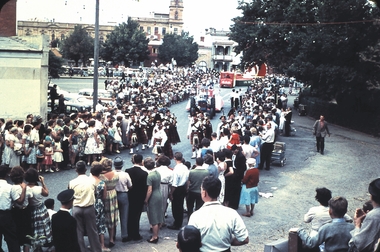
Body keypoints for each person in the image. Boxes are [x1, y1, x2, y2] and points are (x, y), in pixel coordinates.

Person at [188, 176, 249, 251]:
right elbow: (245, 239)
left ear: (204, 193)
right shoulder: (231, 213)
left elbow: (190, 241)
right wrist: (227, 241)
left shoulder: (196, 216)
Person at [68, 160, 102, 252]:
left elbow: (70, 194)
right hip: (89, 207)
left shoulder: (72, 182)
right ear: (86, 169)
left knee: (78, 231)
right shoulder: (92, 181)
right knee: (92, 230)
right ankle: (96, 249)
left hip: (77, 207)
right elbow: (95, 192)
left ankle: (81, 249)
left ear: (76, 170)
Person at [349, 178, 380, 251]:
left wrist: (357, 224)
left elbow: (359, 245)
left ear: (371, 196)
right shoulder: (374, 215)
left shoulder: (374, 215)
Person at [124, 154, 148, 241]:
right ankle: (136, 234)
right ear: (141, 161)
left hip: (130, 195)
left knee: (130, 215)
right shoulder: (144, 173)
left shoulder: (128, 171)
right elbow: (145, 187)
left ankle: (129, 233)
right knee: (137, 216)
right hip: (139, 197)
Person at [99, 158, 119, 248]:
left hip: (105, 195)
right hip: (113, 193)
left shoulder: (101, 176)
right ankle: (111, 238)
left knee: (104, 216)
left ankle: (102, 239)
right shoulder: (116, 174)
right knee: (112, 216)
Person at [90, 163, 110, 252]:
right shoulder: (102, 183)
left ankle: (93, 244)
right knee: (101, 224)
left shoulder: (88, 181)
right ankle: (102, 245)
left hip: (90, 203)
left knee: (92, 225)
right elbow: (104, 197)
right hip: (99, 203)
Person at [144, 157, 163, 244]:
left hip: (153, 197)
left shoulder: (149, 176)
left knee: (153, 217)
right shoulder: (157, 173)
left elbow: (149, 190)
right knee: (159, 215)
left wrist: (146, 200)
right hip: (159, 194)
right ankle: (157, 234)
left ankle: (154, 236)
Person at [168, 152, 189, 230]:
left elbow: (174, 183)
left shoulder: (176, 169)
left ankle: (177, 223)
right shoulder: (185, 167)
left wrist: (171, 193)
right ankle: (178, 222)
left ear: (174, 158)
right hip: (183, 187)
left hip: (177, 189)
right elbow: (187, 179)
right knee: (180, 205)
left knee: (175, 207)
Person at [113, 156, 132, 243]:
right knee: (124, 215)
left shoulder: (112, 174)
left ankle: (112, 235)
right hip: (123, 194)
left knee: (113, 216)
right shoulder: (125, 174)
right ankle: (124, 235)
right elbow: (130, 185)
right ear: (122, 165)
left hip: (113, 194)